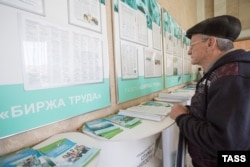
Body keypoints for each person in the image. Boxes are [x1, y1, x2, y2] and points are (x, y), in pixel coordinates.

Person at [170, 15, 250, 167]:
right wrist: (191, 112)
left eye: (192, 45)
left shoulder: (232, 77)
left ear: (211, 43)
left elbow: (224, 144)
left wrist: (181, 117)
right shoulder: (224, 71)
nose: (188, 51)